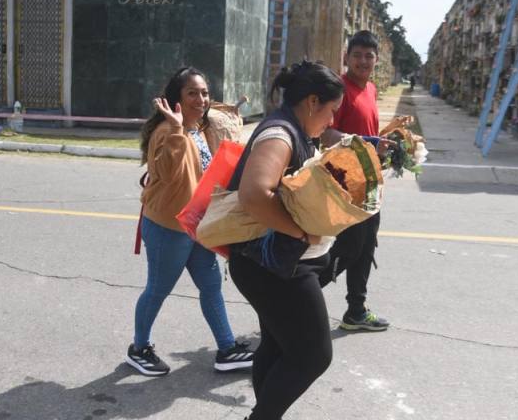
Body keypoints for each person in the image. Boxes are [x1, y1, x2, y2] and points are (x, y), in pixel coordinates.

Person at [228, 60, 345, 420]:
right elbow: (254, 194)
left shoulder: (295, 130)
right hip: (274, 268)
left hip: (269, 264)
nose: (331, 121)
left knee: (279, 347)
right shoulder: (280, 134)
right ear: (312, 102)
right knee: (313, 355)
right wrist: (301, 233)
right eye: (330, 111)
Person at [127, 66, 254, 377]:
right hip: (168, 228)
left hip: (196, 224)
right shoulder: (166, 132)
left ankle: (226, 349)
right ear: (176, 99)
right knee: (158, 289)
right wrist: (174, 129)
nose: (201, 98)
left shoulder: (199, 129)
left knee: (211, 285)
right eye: (192, 93)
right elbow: (168, 174)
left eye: (204, 92)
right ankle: (138, 348)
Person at [319, 30, 391, 332]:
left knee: (366, 246)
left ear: (376, 60)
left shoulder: (371, 89)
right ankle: (293, 295)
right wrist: (365, 142)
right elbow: (325, 132)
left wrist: (384, 145)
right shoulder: (339, 89)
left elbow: (368, 133)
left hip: (369, 179)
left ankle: (356, 310)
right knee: (349, 247)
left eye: (369, 56)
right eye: (357, 55)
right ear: (346, 57)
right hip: (345, 179)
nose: (363, 61)